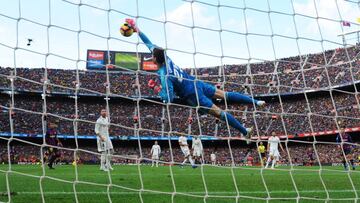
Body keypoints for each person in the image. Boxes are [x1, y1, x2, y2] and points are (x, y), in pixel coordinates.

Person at [125, 18, 265, 139]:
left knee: (219, 113)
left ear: (155, 58)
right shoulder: (166, 58)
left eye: (152, 55)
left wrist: (156, 88)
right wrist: (137, 29)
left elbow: (168, 99)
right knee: (225, 95)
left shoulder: (164, 75)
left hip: (193, 95)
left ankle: (245, 131)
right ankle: (256, 102)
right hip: (196, 83)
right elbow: (149, 43)